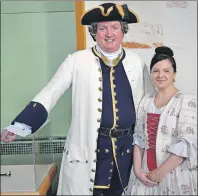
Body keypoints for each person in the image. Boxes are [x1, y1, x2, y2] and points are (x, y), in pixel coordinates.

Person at [1, 3, 153, 195]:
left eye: (115, 27)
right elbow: (50, 93)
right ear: (93, 32)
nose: (109, 34)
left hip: (128, 154)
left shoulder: (137, 61)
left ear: (123, 31)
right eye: (102, 28)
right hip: (90, 152)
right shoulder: (77, 60)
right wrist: (20, 125)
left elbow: (150, 103)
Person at [125, 46, 197, 195]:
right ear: (150, 74)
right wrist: (138, 171)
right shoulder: (146, 101)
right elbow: (139, 138)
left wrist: (160, 172)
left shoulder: (186, 100)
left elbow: (186, 144)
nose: (160, 75)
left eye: (166, 71)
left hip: (174, 176)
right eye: (155, 71)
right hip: (144, 175)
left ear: (174, 75)